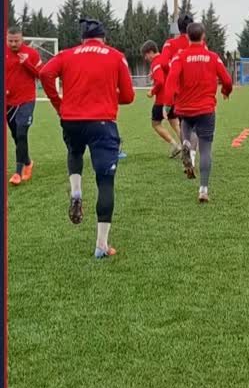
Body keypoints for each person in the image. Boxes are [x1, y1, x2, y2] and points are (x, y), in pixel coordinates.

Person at [39, 18, 135, 258]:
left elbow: (44, 73)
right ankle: (101, 245)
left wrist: (59, 103)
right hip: (102, 122)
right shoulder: (115, 56)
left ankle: (76, 192)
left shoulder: (67, 54)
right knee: (105, 182)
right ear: (104, 38)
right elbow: (129, 96)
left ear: (82, 39)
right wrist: (111, 98)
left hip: (71, 120)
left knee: (74, 152)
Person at [163, 22, 233, 203]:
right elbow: (227, 79)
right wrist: (226, 91)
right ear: (203, 37)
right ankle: (203, 189)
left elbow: (171, 80)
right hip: (206, 109)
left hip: (185, 108)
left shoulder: (180, 57)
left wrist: (167, 104)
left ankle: (186, 145)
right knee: (206, 149)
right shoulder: (213, 57)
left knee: (186, 125)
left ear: (187, 37)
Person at [157, 12, 198, 171]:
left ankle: (185, 146)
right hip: (197, 89)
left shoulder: (170, 44)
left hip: (179, 90)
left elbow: (162, 62)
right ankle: (191, 153)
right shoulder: (198, 42)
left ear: (178, 27)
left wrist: (175, 70)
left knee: (184, 123)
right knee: (196, 126)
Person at [5, 27, 42, 186]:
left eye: (16, 41)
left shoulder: (32, 54)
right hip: (8, 102)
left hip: (26, 100)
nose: (13, 44)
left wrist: (27, 63)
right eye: (10, 41)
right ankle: (27, 161)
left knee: (21, 133)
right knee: (16, 136)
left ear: (22, 39)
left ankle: (17, 173)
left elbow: (41, 74)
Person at [140, 40, 181, 158]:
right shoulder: (166, 59)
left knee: (156, 124)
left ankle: (174, 145)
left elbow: (160, 82)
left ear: (151, 52)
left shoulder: (156, 62)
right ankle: (186, 146)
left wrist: (152, 92)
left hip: (162, 100)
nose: (145, 58)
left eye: (146, 55)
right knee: (174, 123)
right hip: (173, 97)